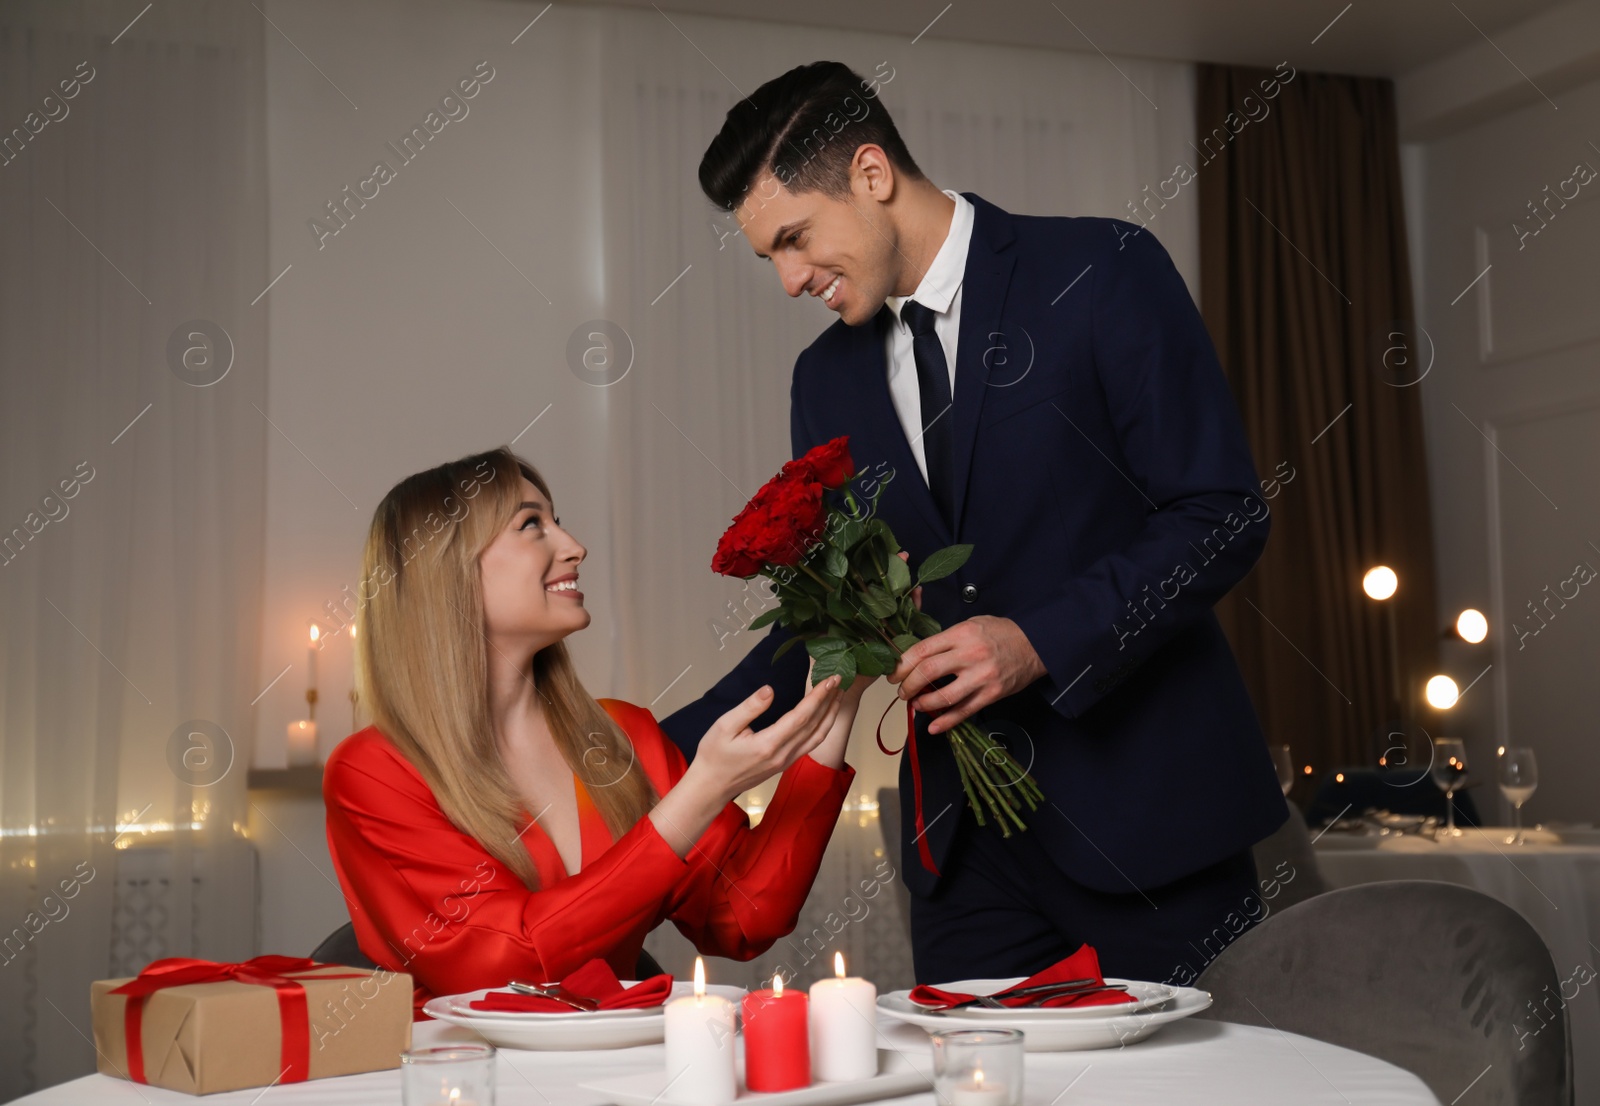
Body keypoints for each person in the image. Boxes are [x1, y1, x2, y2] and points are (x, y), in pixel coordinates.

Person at [661, 61, 1289, 985]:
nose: (790, 280)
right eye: (770, 259)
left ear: (872, 175)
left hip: (1153, 824)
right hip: (961, 854)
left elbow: (1221, 513)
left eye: (794, 239)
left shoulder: (1101, 269)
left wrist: (1039, 639)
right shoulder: (822, 381)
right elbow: (838, 620)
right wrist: (628, 748)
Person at [323, 446, 871, 1018]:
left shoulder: (621, 735)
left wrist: (839, 699)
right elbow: (501, 969)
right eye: (532, 524)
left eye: (556, 520)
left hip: (616, 1074)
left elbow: (743, 917)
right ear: (446, 568)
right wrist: (697, 796)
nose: (573, 546)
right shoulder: (373, 772)